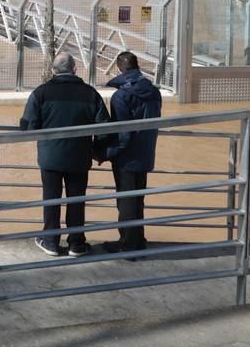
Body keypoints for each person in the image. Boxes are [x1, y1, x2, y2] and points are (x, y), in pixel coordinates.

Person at [20, 51, 111, 257]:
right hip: (79, 157)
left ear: (53, 70)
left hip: (50, 158)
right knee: (76, 201)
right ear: (75, 69)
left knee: (51, 199)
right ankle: (76, 244)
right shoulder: (91, 94)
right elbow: (105, 129)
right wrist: (96, 150)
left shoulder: (40, 93)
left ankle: (50, 242)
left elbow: (27, 127)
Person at [102, 52, 162, 256]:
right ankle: (138, 240)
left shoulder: (121, 96)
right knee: (138, 198)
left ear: (119, 69)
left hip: (126, 156)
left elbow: (123, 134)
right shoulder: (154, 92)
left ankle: (127, 243)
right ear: (137, 67)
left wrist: (106, 153)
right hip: (146, 152)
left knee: (126, 200)